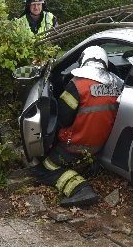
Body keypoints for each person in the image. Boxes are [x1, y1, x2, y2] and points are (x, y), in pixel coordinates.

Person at [34, 46, 123, 207]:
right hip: (102, 146)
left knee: (44, 169)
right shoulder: (117, 84)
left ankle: (80, 189)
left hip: (75, 145)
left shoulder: (77, 85)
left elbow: (62, 118)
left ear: (83, 61)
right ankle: (88, 167)